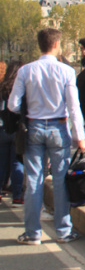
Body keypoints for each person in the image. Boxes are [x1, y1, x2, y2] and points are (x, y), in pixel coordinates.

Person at [8, 28, 85, 244]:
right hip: (58, 128)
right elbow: (74, 107)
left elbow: (13, 105)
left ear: (40, 45)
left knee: (34, 180)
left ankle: (32, 233)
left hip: (33, 127)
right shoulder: (66, 71)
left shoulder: (26, 71)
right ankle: (63, 231)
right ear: (56, 45)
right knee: (60, 180)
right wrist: (80, 136)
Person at [0, 60, 25, 206]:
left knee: (1, 163)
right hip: (16, 129)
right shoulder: (19, 88)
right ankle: (17, 195)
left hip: (1, 128)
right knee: (17, 162)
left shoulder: (2, 87)